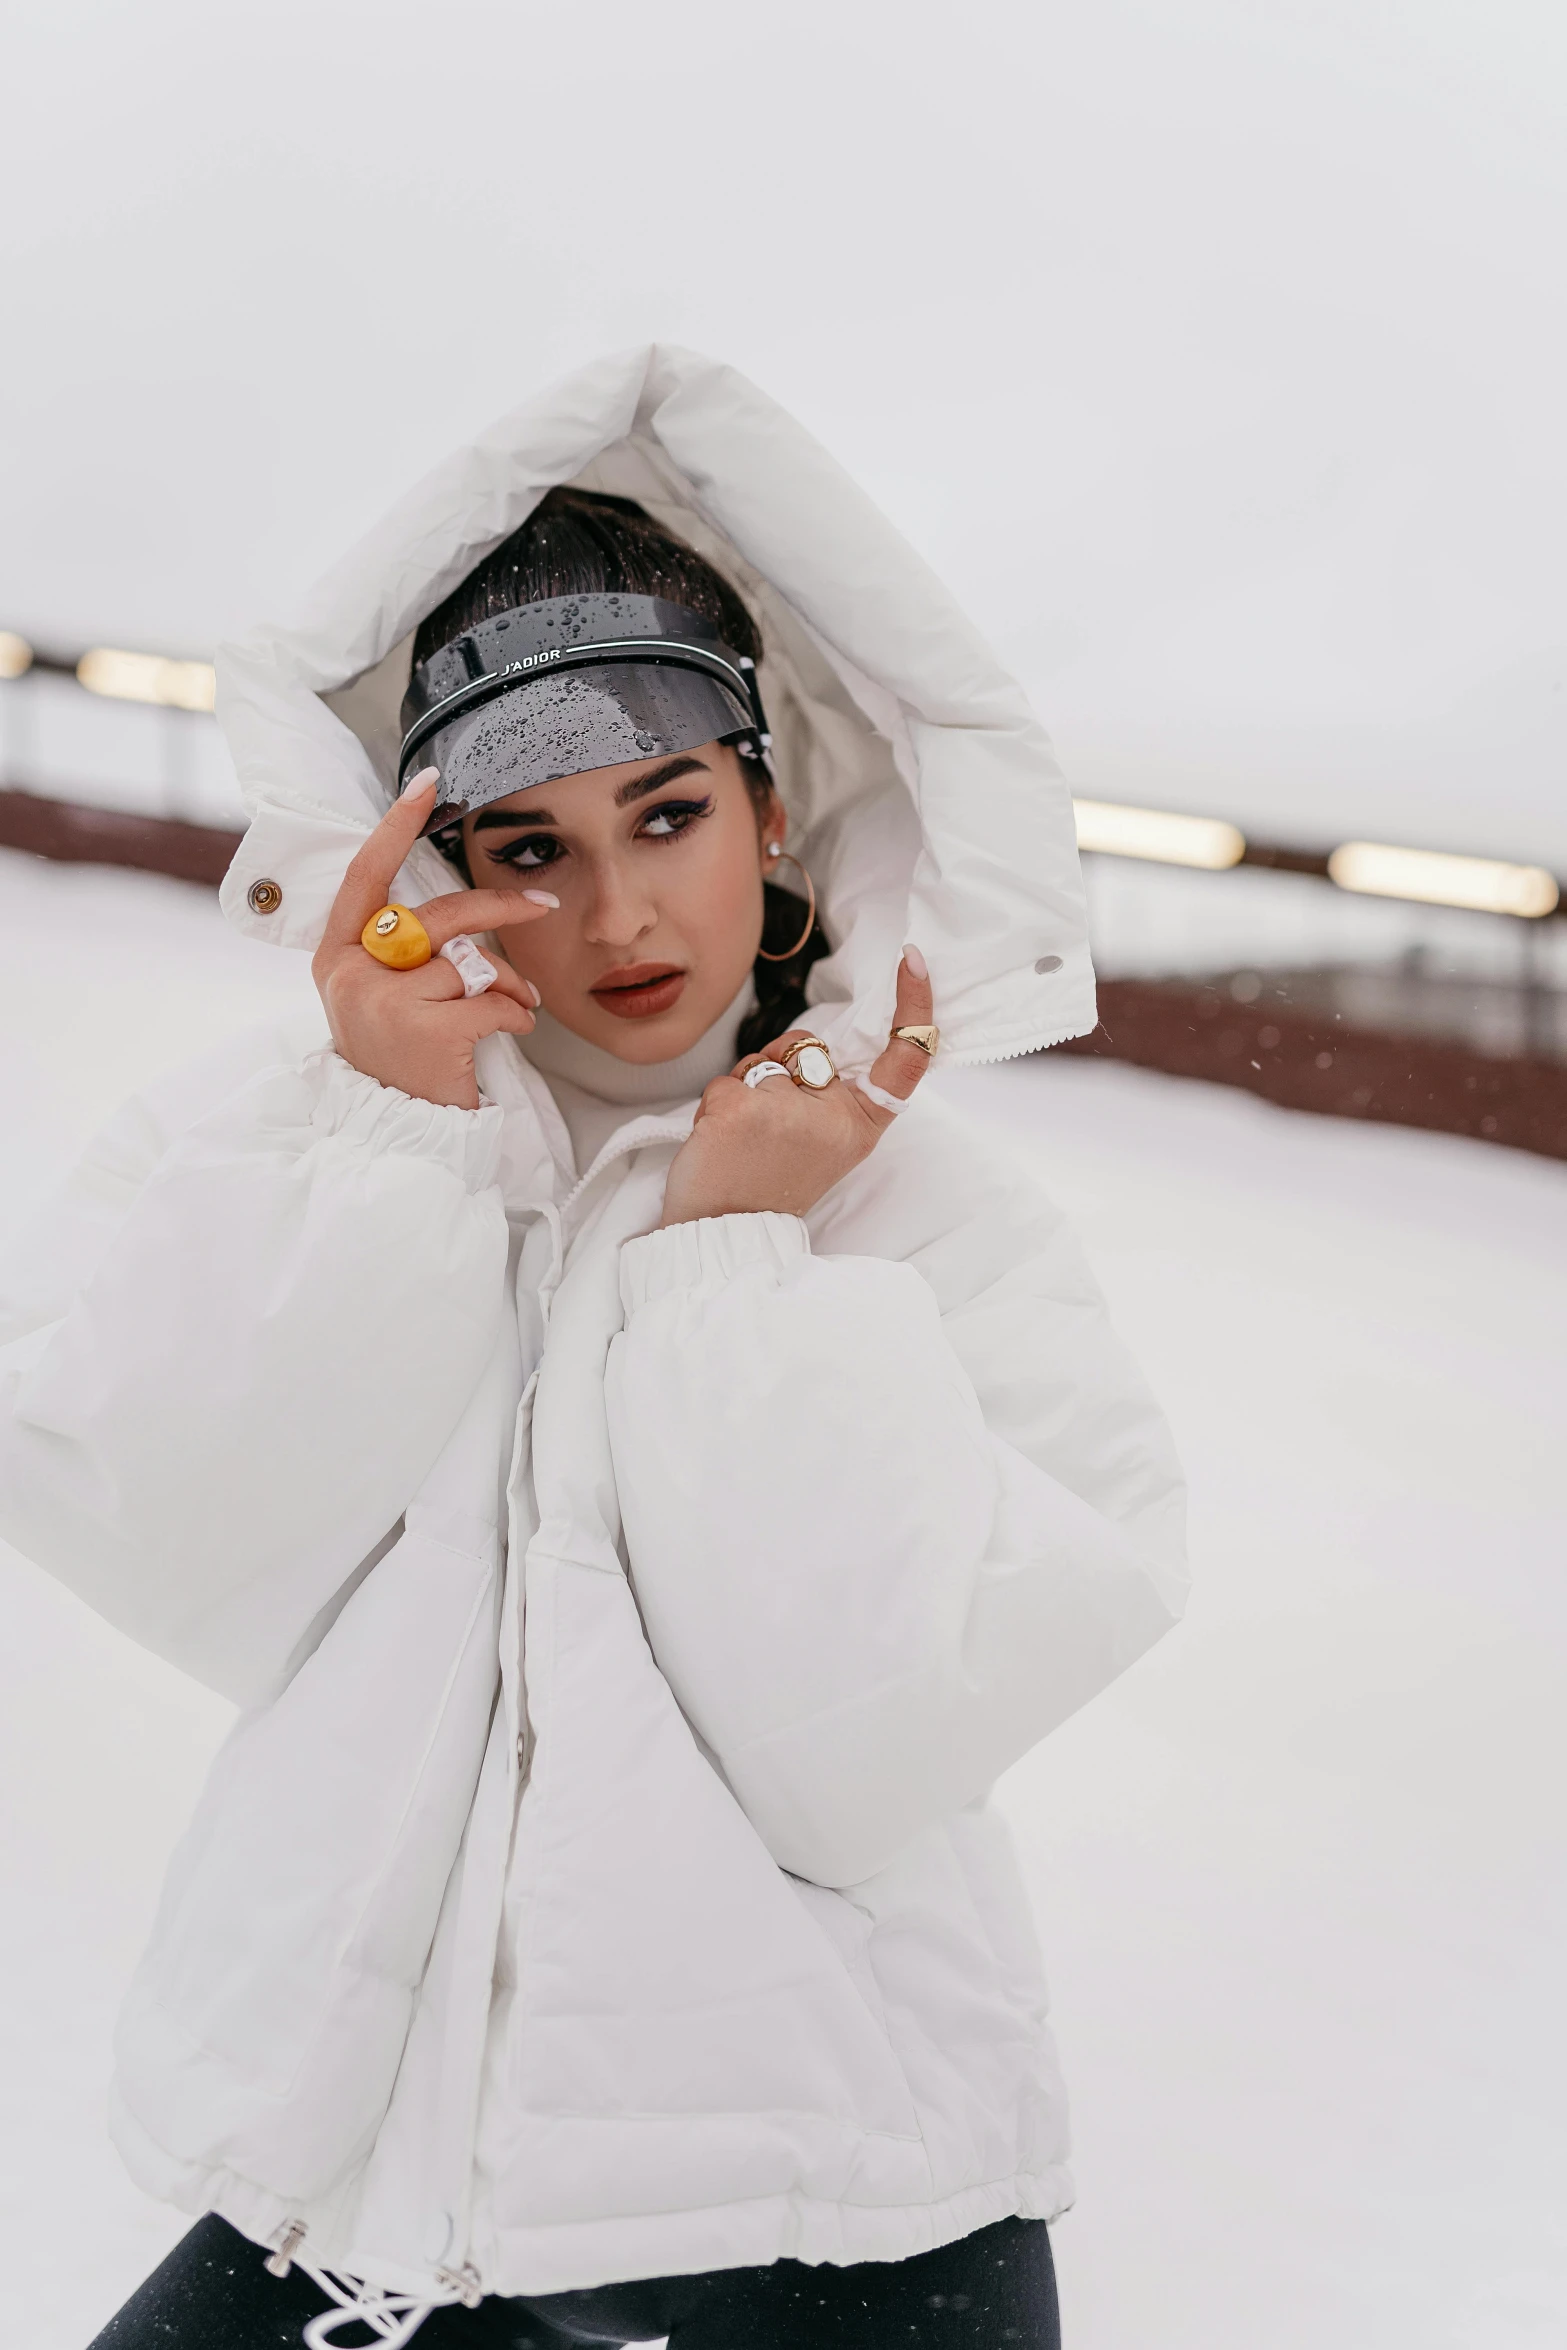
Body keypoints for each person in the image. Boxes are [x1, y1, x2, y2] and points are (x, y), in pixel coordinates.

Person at [0, 348, 1188, 2349]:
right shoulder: (308, 1143)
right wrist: (395, 1148)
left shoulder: (927, 1216)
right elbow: (183, 1539)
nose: (623, 911)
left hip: (844, 2232)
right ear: (434, 865)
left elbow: (862, 1737)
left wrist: (730, 1255)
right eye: (532, 847)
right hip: (379, 2205)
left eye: (668, 812)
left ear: (776, 813)